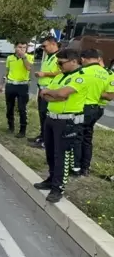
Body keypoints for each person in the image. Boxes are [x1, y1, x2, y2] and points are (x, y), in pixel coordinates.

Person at [33, 48, 88, 203]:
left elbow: (62, 94)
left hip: (67, 122)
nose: (58, 65)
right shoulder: (60, 76)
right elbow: (45, 94)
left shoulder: (80, 78)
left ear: (73, 61)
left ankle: (58, 188)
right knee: (50, 152)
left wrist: (53, 93)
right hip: (51, 118)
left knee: (61, 155)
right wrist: (52, 94)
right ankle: (51, 179)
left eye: (61, 63)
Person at [76, 48, 110, 176]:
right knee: (87, 138)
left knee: (77, 137)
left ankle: (76, 166)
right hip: (95, 107)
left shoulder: (82, 71)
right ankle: (85, 167)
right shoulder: (105, 73)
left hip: (81, 107)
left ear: (83, 59)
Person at [30, 36, 61, 148]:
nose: (43, 48)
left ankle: (46, 141)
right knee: (42, 115)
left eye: (45, 46)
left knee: (47, 116)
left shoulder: (59, 57)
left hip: (50, 91)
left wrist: (45, 74)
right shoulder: (48, 56)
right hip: (42, 89)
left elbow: (60, 72)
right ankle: (42, 136)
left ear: (53, 44)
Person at [0, 41, 34, 138]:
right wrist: (1, 84)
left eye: (24, 47)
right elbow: (7, 71)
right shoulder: (10, 58)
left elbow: (28, 68)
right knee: (9, 107)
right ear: (15, 47)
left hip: (22, 86)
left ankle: (22, 130)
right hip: (10, 85)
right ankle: (10, 126)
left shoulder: (29, 57)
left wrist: (24, 57)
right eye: (20, 47)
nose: (22, 49)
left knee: (22, 108)